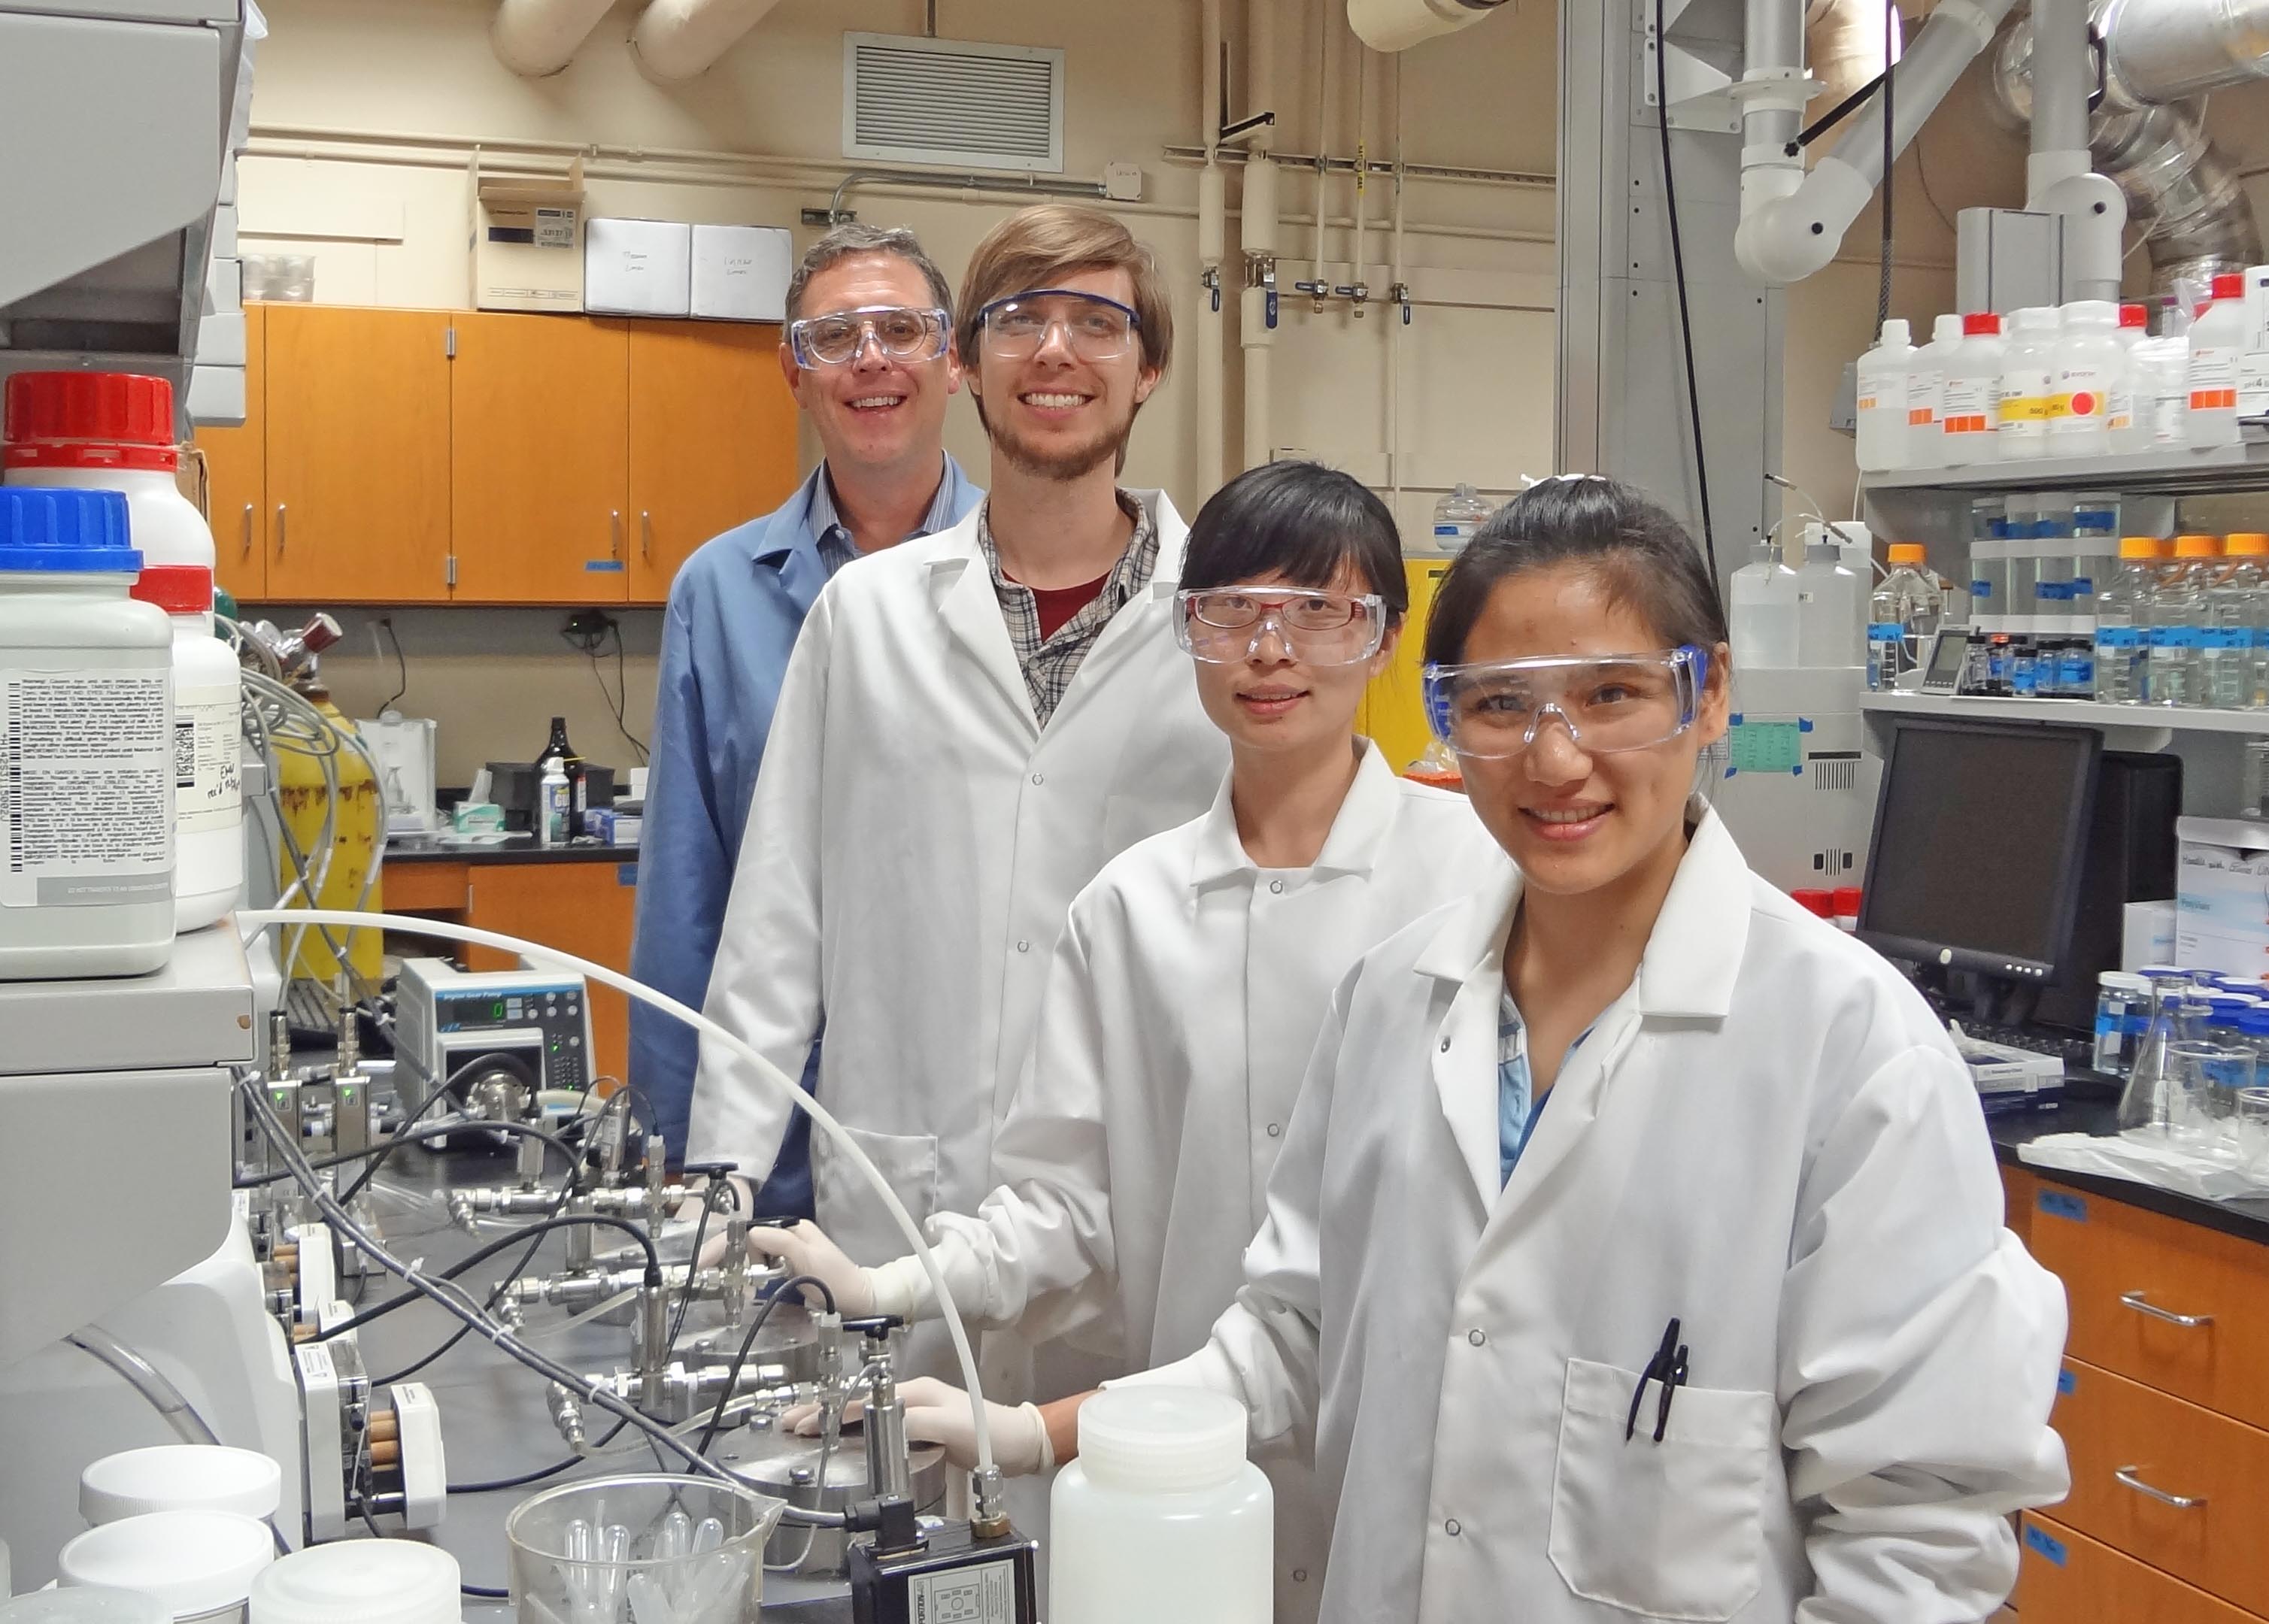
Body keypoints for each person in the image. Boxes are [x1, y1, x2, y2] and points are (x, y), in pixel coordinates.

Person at [1127, 476, 2070, 1622]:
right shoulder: (1387, 1004)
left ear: (1709, 691)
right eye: (1497, 705)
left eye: (1611, 695)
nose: (1554, 758)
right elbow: (1293, 1333)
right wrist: (1033, 1433)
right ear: (1442, 717)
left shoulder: (1846, 1049)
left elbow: (1916, 1526)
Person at [733, 461, 1508, 1622]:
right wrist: (883, 1283)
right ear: (1184, 632)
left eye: (1319, 611)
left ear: (1384, 638)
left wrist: (1032, 1431)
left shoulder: (1477, 883)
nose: (1270, 647)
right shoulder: (1127, 908)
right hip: (1174, 1471)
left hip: (1418, 1471)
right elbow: (1062, 1208)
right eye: (1229, 610)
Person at [687, 204, 1229, 1395]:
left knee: (1125, 1551)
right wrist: (718, 1193)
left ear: (1149, 368)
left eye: (1096, 322)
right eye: (1017, 319)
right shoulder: (865, 616)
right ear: (967, 364)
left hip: (1133, 1201)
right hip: (902, 1192)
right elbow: (776, 927)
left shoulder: (1227, 624)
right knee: (905, 1534)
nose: (1053, 351)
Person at [629, 223, 979, 1213]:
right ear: (793, 371)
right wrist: (675, 1138)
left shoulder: (1026, 579)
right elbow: (684, 885)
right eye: (834, 337)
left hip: (978, 1114)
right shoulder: (722, 590)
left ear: (951, 361)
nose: (870, 359)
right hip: (773, 1118)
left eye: (900, 330)